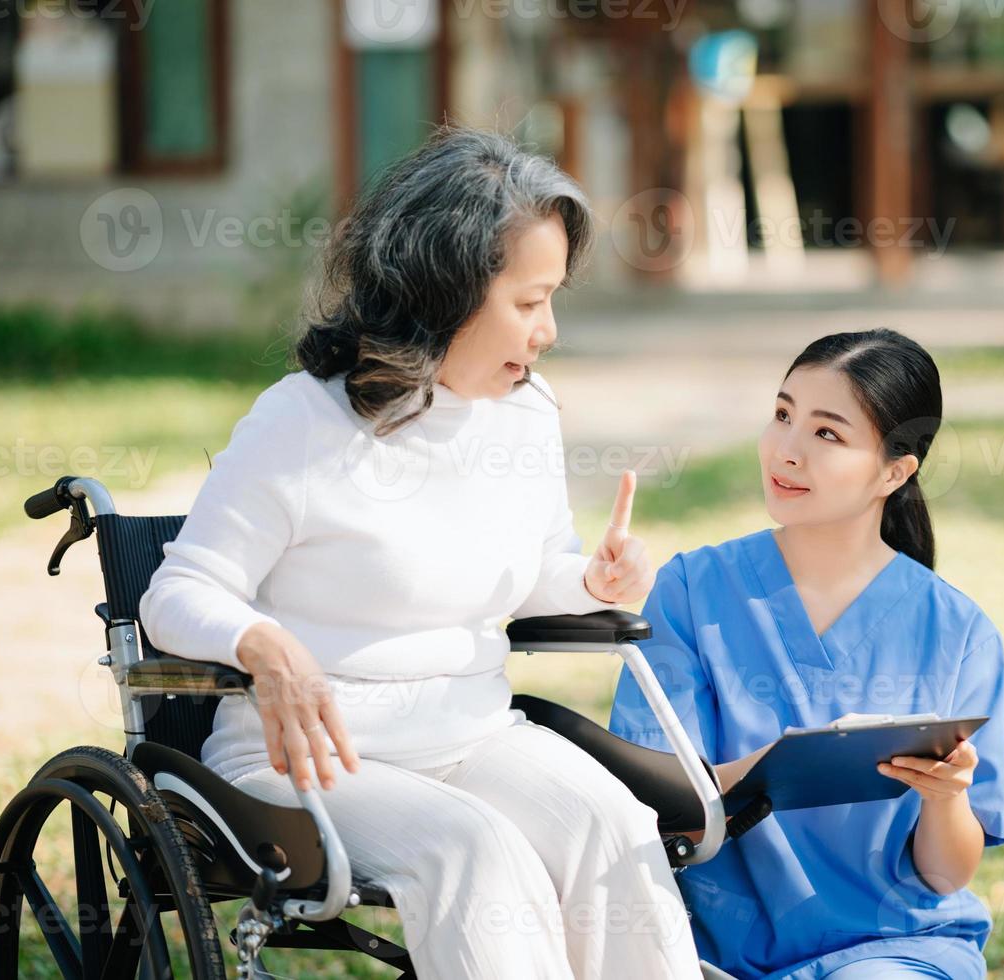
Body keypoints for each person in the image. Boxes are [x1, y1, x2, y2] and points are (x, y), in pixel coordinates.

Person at [140, 127, 700, 979]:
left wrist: (589, 580)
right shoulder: (303, 422)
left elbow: (537, 573)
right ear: (447, 291)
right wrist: (261, 642)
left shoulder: (526, 412)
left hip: (473, 734)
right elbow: (178, 592)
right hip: (310, 756)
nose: (548, 330)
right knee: (476, 851)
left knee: (611, 828)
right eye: (527, 301)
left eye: (554, 299)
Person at [607, 329, 1004, 979]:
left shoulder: (961, 634)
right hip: (714, 957)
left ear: (894, 471)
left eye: (827, 433)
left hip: (894, 947)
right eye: (782, 414)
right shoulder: (690, 592)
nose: (786, 450)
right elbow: (648, 802)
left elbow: (942, 875)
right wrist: (781, 768)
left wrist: (945, 798)